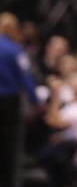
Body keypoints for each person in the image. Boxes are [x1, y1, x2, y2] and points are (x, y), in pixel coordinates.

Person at [0, 12, 39, 187]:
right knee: (9, 146)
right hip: (8, 103)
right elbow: (25, 77)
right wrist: (36, 101)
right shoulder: (15, 50)